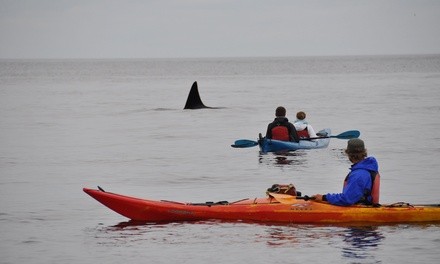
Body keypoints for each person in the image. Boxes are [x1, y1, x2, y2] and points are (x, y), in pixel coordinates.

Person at [312, 138, 381, 206]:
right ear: (364, 152)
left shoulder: (359, 174)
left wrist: (324, 197)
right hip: (367, 207)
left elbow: (347, 199)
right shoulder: (368, 168)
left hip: (359, 212)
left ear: (348, 154)